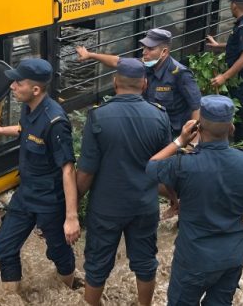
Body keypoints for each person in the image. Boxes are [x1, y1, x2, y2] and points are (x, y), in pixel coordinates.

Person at [147, 95, 243, 305]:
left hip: (194, 258)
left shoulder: (183, 165)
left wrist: (180, 141)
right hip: (232, 257)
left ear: (198, 128)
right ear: (231, 128)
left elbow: (151, 167)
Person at [76, 58, 172, 306]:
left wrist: (73, 204)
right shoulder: (159, 117)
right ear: (145, 84)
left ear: (115, 81)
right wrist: (174, 198)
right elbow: (163, 169)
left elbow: (86, 171)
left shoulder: (98, 117)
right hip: (144, 205)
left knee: (96, 265)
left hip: (106, 207)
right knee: (145, 263)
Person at [0, 58, 80, 294]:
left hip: (49, 200)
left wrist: (72, 217)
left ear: (35, 89)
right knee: (4, 247)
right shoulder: (29, 107)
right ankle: (12, 299)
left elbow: (68, 169)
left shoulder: (56, 122)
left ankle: (68, 292)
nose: (12, 86)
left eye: (18, 83)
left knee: (58, 252)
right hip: (26, 194)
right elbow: (24, 130)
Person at [76, 28, 201, 137]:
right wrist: (90, 55)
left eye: (150, 49)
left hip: (174, 134)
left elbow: (196, 107)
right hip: (151, 130)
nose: (144, 52)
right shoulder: (144, 64)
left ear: (164, 52)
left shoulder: (180, 74)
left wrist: (192, 140)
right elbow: (117, 62)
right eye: (144, 47)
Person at [205, 0, 243, 142]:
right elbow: (237, 46)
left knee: (240, 112)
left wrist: (224, 76)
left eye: (231, 3)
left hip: (242, 78)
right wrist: (218, 46)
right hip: (241, 76)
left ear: (234, 5)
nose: (230, 6)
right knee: (236, 109)